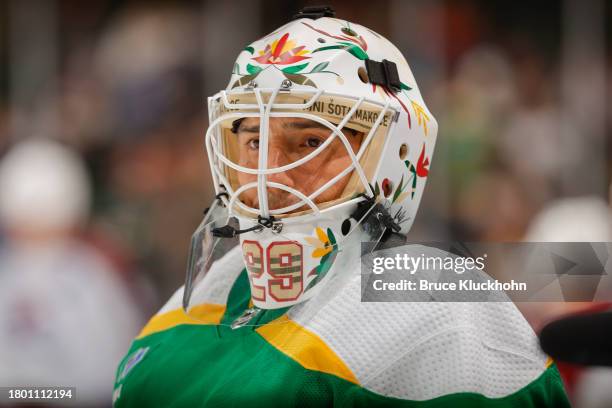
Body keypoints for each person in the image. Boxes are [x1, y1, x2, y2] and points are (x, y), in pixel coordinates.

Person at [113, 7, 570, 407]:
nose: (267, 174)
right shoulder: (202, 299)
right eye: (254, 140)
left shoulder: (431, 302)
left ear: (394, 156)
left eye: (309, 141)